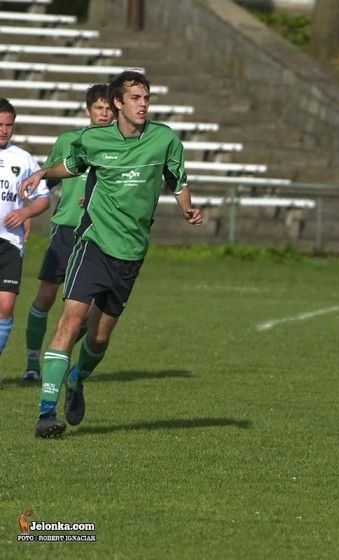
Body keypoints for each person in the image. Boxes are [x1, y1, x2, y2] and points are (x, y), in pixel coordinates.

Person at [20, 71, 202, 438]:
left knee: (99, 339)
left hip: (131, 253)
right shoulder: (94, 139)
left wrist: (187, 208)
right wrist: (43, 173)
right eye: (135, 98)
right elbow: (71, 166)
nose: (143, 104)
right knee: (69, 322)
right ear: (117, 102)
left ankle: (77, 376)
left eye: (146, 98)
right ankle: (46, 411)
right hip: (94, 243)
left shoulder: (164, 139)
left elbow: (177, 180)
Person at [20, 84, 113, 384]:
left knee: (87, 310)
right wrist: (27, 214)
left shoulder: (120, 146)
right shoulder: (68, 141)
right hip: (66, 229)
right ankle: (32, 363)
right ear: (88, 110)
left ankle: (60, 356)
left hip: (98, 232)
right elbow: (45, 182)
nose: (104, 113)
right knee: (46, 296)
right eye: (99, 108)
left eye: (109, 108)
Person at [0, 98, 51, 388]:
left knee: (5, 307)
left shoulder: (24, 158)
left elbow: (43, 198)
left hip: (10, 242)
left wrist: (25, 212)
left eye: (9, 125)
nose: (4, 130)